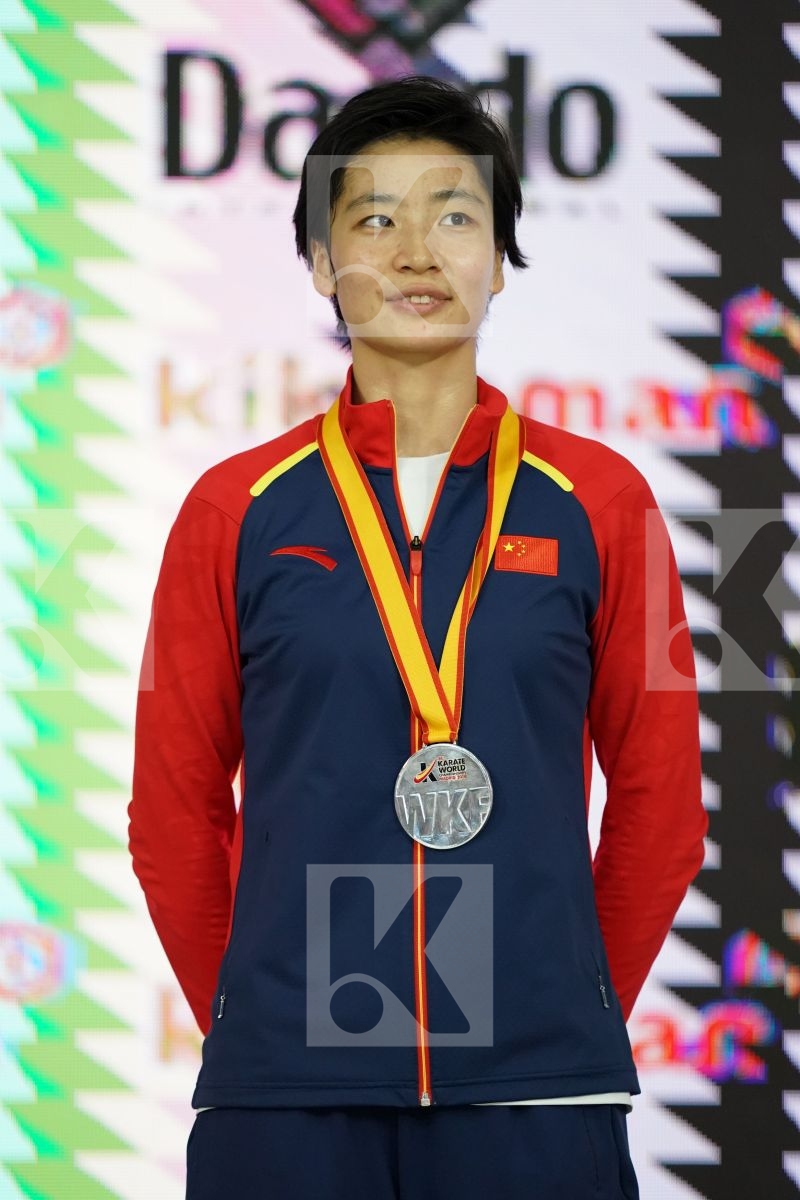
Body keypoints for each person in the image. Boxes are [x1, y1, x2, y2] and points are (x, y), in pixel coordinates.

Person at [128, 75, 707, 1199]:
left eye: (453, 215)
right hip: (287, 1104)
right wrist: (259, 1023)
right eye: (374, 219)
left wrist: (568, 1009)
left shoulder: (604, 503)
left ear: (500, 259)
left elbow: (663, 807)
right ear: (318, 262)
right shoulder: (233, 508)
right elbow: (172, 813)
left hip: (536, 1098)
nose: (414, 253)